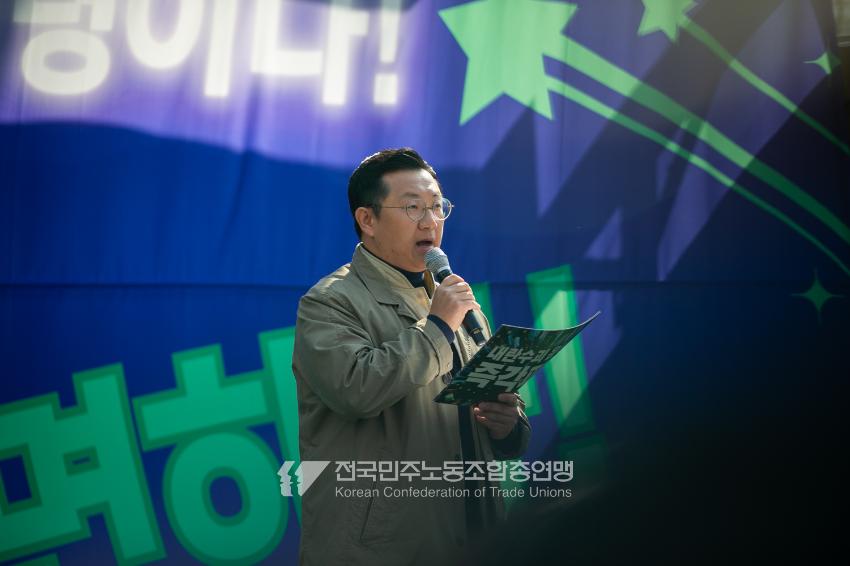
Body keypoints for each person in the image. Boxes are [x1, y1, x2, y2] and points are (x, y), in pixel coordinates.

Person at [292, 148, 531, 565]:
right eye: (412, 207)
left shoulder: (458, 303)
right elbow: (356, 389)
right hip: (382, 549)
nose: (430, 221)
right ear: (367, 220)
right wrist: (437, 327)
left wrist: (508, 425)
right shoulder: (330, 302)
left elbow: (489, 403)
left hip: (476, 537)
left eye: (437, 206)